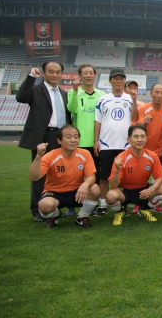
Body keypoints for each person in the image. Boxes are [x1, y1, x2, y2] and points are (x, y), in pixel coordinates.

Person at [17, 62, 72, 222]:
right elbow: (20, 97)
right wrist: (30, 78)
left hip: (61, 137)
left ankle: (55, 205)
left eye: (57, 72)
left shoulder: (64, 94)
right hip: (43, 137)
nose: (54, 75)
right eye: (50, 72)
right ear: (44, 73)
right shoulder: (36, 89)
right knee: (40, 174)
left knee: (60, 173)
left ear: (62, 74)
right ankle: (37, 209)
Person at [29, 125, 99, 229]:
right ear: (59, 140)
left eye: (76, 137)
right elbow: (34, 177)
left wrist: (85, 184)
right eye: (68, 137)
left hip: (77, 192)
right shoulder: (51, 155)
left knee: (94, 189)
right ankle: (55, 215)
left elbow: (91, 176)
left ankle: (82, 217)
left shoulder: (85, 154)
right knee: (44, 205)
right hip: (55, 192)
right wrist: (39, 156)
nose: (73, 140)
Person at [106, 124, 162, 225]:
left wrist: (150, 190)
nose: (139, 140)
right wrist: (117, 171)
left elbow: (160, 178)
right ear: (129, 139)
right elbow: (114, 186)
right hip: (125, 191)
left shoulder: (152, 156)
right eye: (136, 136)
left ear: (146, 139)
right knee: (110, 196)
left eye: (142, 136)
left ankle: (144, 209)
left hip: (143, 190)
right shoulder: (122, 157)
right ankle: (120, 211)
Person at [65, 64, 105, 217]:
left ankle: (91, 204)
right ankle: (70, 205)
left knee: (93, 176)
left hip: (96, 143)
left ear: (95, 75)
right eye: (85, 73)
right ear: (80, 76)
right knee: (74, 176)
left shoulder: (101, 94)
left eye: (91, 73)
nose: (88, 75)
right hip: (78, 143)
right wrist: (75, 91)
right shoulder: (74, 93)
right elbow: (72, 109)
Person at [94, 68, 134, 216]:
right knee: (104, 177)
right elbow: (97, 121)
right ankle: (103, 205)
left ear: (125, 81)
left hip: (125, 145)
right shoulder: (103, 99)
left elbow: (135, 116)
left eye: (121, 78)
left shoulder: (130, 98)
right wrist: (95, 141)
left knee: (122, 178)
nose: (119, 81)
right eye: (115, 78)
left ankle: (121, 205)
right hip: (105, 144)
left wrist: (134, 100)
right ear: (110, 81)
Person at [133, 84, 162, 164]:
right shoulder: (143, 109)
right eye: (156, 92)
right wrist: (144, 122)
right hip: (143, 150)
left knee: (158, 176)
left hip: (159, 152)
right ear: (151, 94)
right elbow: (138, 129)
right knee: (142, 176)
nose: (159, 96)